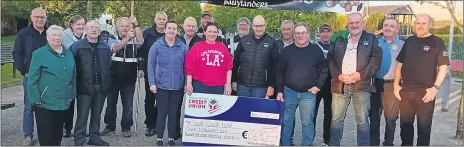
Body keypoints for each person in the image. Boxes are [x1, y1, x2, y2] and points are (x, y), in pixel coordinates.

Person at [394, 14, 449, 146]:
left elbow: (443, 68)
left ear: (430, 25)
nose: (420, 26)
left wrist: (435, 88)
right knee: (405, 128)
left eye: (424, 23)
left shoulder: (437, 42)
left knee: (424, 130)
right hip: (406, 92)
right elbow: (399, 65)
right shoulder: (409, 41)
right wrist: (396, 85)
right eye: (417, 23)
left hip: (426, 94)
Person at [327, 12, 382, 146]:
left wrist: (360, 75)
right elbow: (330, 59)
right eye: (351, 23)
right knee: (336, 119)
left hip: (361, 85)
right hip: (340, 85)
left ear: (363, 24)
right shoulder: (339, 39)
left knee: (362, 121)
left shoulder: (371, 39)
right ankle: (334, 144)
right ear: (347, 25)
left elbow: (376, 59)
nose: (354, 25)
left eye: (357, 22)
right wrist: (338, 75)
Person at [276, 22, 328, 146]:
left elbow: (324, 70)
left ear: (308, 34)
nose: (300, 35)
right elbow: (279, 72)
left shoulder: (316, 50)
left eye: (303, 33)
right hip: (289, 92)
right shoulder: (287, 51)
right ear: (294, 35)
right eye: (297, 33)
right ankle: (285, 143)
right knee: (287, 121)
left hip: (308, 94)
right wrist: (279, 91)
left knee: (307, 122)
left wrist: (318, 87)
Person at [27, 25, 76, 146]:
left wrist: (72, 93)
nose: (57, 38)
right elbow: (32, 78)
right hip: (45, 103)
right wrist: (35, 99)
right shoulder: (39, 54)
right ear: (47, 38)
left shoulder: (69, 54)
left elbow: (74, 75)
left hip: (62, 102)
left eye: (59, 35)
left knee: (57, 134)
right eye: (53, 35)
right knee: (46, 136)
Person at [70, 20, 111, 146]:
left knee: (96, 114)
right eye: (91, 27)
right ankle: (79, 138)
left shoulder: (105, 47)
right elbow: (71, 67)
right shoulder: (77, 46)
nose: (94, 30)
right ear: (85, 30)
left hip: (101, 86)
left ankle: (94, 137)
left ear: (99, 31)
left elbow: (108, 66)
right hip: (84, 86)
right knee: (82, 115)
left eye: (96, 28)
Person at [102, 16, 144, 137]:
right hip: (113, 76)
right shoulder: (111, 38)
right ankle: (110, 126)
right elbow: (115, 48)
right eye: (122, 26)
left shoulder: (134, 39)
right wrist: (127, 38)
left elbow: (141, 41)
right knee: (111, 103)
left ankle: (126, 127)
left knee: (128, 104)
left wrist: (136, 25)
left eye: (127, 26)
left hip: (129, 77)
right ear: (117, 27)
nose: (124, 28)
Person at [147, 20, 188, 146]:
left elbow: (187, 67)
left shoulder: (183, 47)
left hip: (177, 86)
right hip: (161, 85)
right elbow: (151, 64)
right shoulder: (157, 45)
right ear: (164, 30)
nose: (171, 30)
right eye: (169, 28)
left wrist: (187, 83)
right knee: (162, 112)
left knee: (173, 113)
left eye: (174, 28)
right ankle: (159, 137)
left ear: (177, 31)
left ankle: (171, 137)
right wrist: (152, 82)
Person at [12, 7, 48, 146]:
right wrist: (24, 70)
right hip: (30, 76)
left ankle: (46, 133)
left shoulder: (50, 33)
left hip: (47, 77)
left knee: (46, 106)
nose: (40, 19)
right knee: (29, 106)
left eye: (42, 17)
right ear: (31, 18)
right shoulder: (24, 34)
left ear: (46, 19)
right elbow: (16, 54)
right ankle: (28, 135)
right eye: (37, 17)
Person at [369, 17, 404, 146]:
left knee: (391, 118)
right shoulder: (375, 43)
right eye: (385, 25)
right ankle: (373, 142)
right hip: (375, 83)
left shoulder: (403, 45)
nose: (388, 28)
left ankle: (388, 143)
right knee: (373, 116)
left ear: (397, 29)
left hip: (392, 85)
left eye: (392, 26)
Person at [232, 15, 280, 98]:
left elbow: (275, 66)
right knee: (242, 110)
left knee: (256, 110)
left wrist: (271, 85)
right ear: (252, 27)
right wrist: (234, 80)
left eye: (261, 26)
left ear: (265, 26)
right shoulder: (244, 40)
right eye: (256, 26)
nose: (259, 29)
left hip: (261, 87)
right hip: (242, 85)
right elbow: (236, 62)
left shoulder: (272, 42)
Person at [138, 11, 168, 137]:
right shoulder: (147, 33)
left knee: (161, 100)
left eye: (164, 19)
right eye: (159, 19)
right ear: (155, 20)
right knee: (150, 99)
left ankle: (157, 123)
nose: (161, 21)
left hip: (165, 72)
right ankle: (149, 125)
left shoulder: (169, 33)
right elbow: (141, 52)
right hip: (150, 71)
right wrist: (140, 68)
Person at [185, 22, 233, 95]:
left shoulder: (222, 47)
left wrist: (228, 84)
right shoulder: (197, 47)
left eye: (215, 32)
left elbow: (229, 67)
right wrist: (189, 84)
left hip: (218, 86)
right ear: (204, 32)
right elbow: (189, 67)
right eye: (210, 31)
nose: (212, 34)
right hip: (200, 85)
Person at [61, 14, 85, 138]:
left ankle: (81, 128)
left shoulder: (87, 35)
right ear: (72, 25)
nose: (81, 27)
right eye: (78, 24)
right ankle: (67, 127)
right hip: (70, 72)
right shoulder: (64, 36)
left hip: (84, 73)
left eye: (82, 24)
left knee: (83, 103)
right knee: (70, 102)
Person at [313, 24, 333, 146]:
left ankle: (327, 140)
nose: (325, 34)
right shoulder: (314, 47)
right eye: (323, 32)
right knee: (312, 113)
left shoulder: (336, 46)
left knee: (329, 114)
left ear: (331, 33)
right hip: (316, 84)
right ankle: (310, 138)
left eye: (327, 32)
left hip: (330, 84)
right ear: (319, 33)